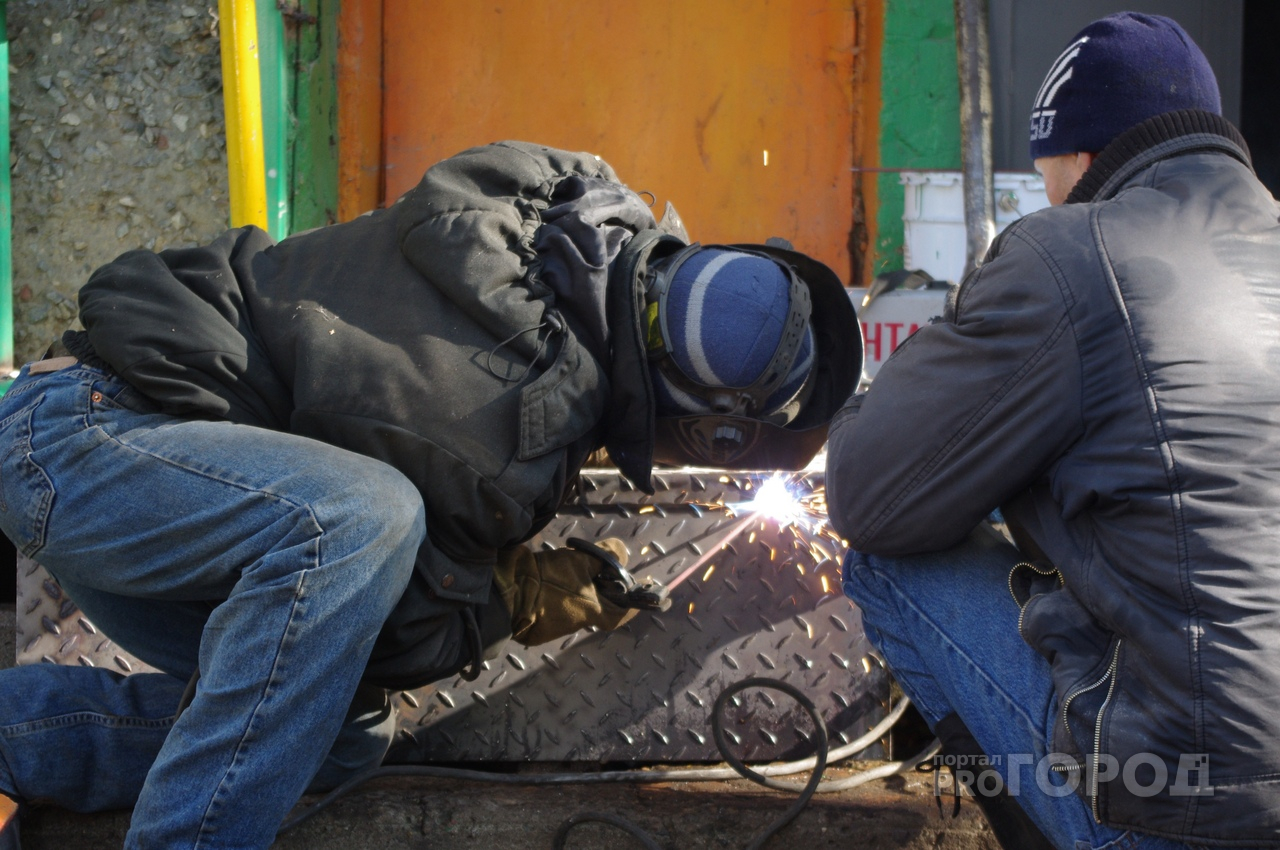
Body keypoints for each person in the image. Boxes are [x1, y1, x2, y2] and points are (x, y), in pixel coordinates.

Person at [0, 140, 860, 849]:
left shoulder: (564, 194)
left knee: (338, 733)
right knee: (359, 519)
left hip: (133, 456)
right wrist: (515, 597)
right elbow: (399, 641)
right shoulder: (506, 432)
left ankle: (18, 737)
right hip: (91, 452)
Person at [827, 13, 1280, 850]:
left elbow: (870, 491)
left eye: (1046, 178)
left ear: (1081, 157)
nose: (1047, 199)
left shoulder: (1071, 253)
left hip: (1182, 807)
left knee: (888, 565)